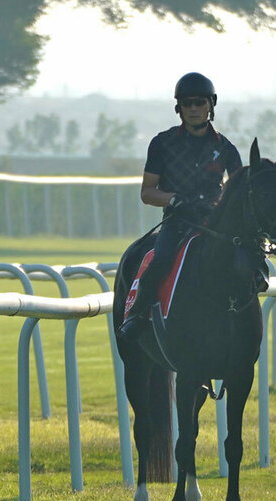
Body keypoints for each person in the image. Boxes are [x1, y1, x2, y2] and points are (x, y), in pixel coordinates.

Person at [118, 72, 242, 339]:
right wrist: (173, 199)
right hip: (178, 223)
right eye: (187, 103)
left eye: (199, 102)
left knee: (245, 260)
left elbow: (238, 194)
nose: (194, 108)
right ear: (179, 108)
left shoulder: (228, 149)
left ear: (211, 105)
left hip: (215, 224)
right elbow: (147, 192)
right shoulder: (162, 143)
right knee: (161, 259)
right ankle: (137, 315)